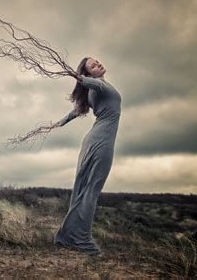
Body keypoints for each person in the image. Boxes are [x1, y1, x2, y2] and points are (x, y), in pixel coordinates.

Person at [52, 56, 122, 256]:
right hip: (102, 142)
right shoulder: (98, 85)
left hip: (93, 140)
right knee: (91, 190)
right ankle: (83, 240)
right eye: (93, 65)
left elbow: (75, 112)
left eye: (98, 61)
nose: (99, 64)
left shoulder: (94, 91)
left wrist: (58, 123)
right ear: (88, 73)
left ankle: (68, 237)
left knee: (84, 189)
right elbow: (87, 83)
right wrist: (77, 76)